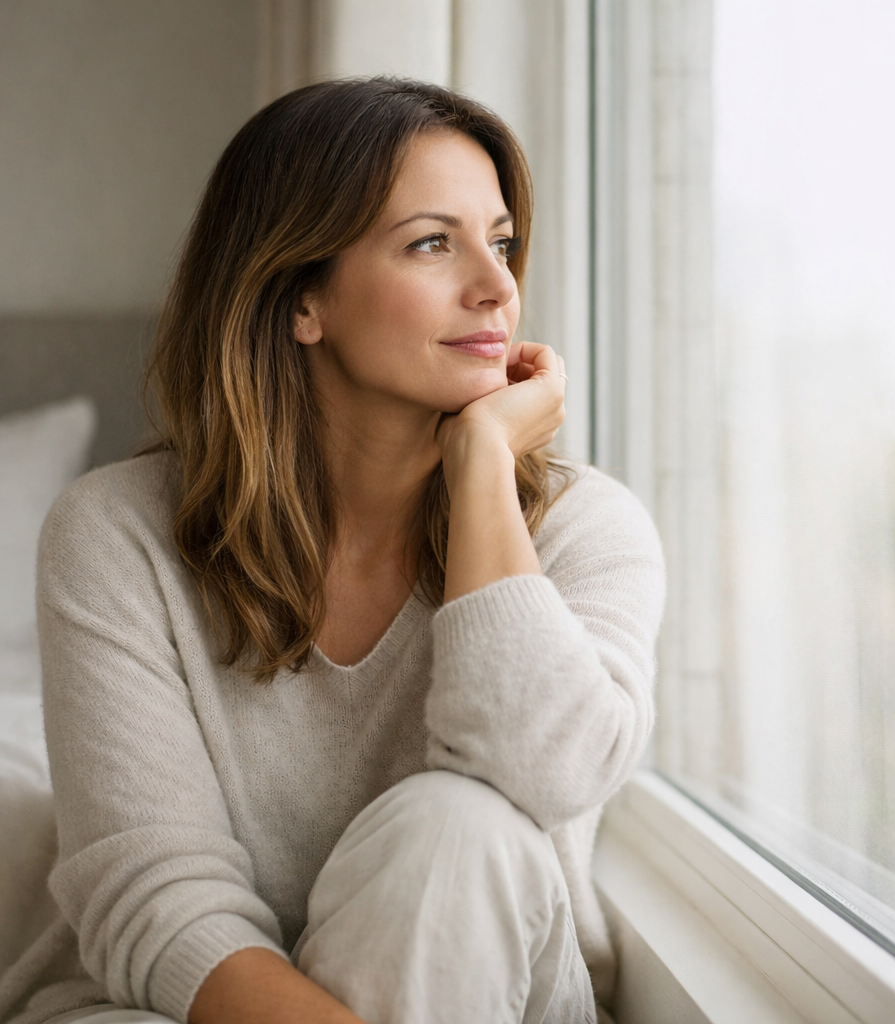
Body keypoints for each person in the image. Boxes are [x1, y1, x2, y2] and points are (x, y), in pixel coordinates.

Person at [0, 78, 664, 1024]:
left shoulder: (585, 528)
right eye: (434, 242)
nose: (497, 285)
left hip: (493, 991)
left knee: (458, 824)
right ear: (302, 296)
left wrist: (480, 471)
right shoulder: (116, 535)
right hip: (199, 1004)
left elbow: (539, 784)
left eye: (502, 241)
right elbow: (159, 902)